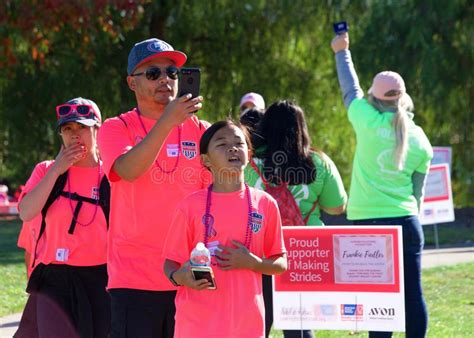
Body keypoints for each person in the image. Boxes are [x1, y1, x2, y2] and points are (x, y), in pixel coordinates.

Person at [97, 38, 211, 338]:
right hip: (134, 280)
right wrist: (168, 122)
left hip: (189, 276)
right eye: (152, 73)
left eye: (172, 73)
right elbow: (127, 171)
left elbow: (215, 199)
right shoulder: (115, 127)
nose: (165, 79)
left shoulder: (202, 131)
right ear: (131, 83)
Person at [331, 32, 433, 337]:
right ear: (402, 98)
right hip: (406, 221)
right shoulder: (420, 140)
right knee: (413, 296)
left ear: (375, 99)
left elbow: (350, 89)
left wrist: (341, 51)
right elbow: (418, 194)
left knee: (378, 300)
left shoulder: (365, 118)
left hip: (367, 222)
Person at [163, 120, 287, 337]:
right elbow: (169, 265)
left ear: (248, 154)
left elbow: (281, 263)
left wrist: (253, 262)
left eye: (239, 144)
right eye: (221, 144)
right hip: (196, 325)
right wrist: (180, 277)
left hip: (246, 324)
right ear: (205, 160)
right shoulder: (189, 206)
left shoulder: (266, 204)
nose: (232, 149)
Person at [245, 100, 347, 338]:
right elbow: (336, 207)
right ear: (302, 128)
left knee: (259, 320)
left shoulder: (248, 163)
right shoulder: (320, 162)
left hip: (261, 249)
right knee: (299, 324)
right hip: (307, 250)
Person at [15, 97, 110, 338]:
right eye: (68, 129)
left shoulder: (111, 174)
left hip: (101, 279)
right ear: (61, 135)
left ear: (97, 129)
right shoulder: (46, 170)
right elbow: (26, 211)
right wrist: (57, 168)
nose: (75, 135)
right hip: (54, 280)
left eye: (82, 128)